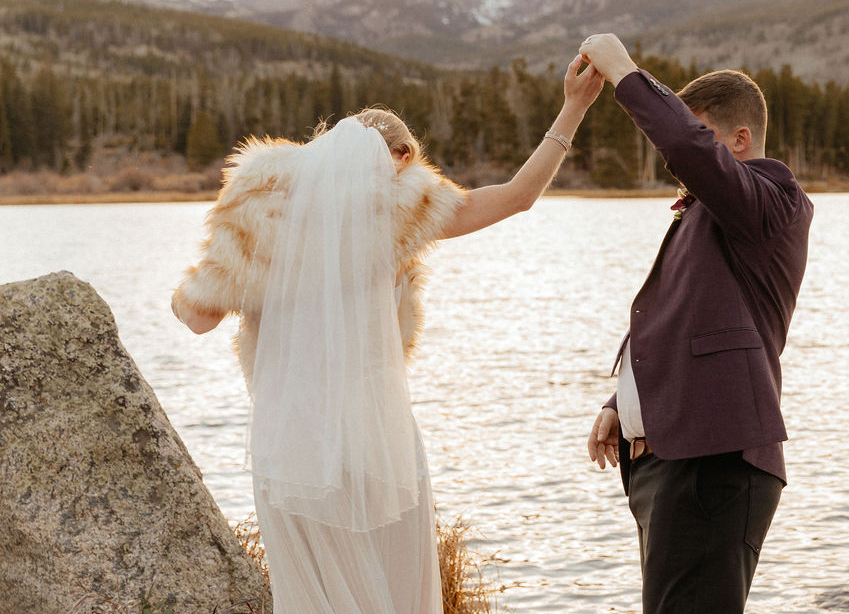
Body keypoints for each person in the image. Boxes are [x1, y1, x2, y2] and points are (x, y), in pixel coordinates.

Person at [171, 55, 604, 614]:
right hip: (377, 435)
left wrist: (183, 300)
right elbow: (519, 195)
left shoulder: (257, 208)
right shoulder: (398, 209)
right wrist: (573, 108)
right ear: (400, 159)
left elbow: (200, 317)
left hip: (291, 437)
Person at [580, 34, 813, 614]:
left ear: (740, 140)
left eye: (703, 137)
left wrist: (623, 72)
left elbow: (684, 145)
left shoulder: (772, 202)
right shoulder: (712, 215)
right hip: (672, 461)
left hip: (717, 462)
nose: (678, 159)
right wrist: (623, 403)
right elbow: (689, 320)